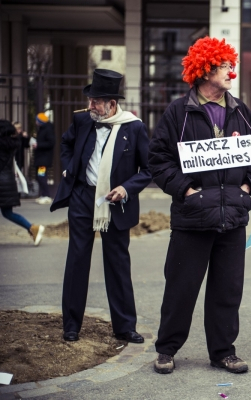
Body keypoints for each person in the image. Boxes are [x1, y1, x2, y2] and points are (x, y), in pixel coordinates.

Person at [149, 37, 251, 375]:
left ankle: (223, 352)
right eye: (224, 65)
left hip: (233, 217)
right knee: (180, 289)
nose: (232, 70)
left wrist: (247, 189)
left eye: (231, 64)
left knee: (227, 291)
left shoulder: (241, 112)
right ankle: (167, 349)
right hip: (191, 219)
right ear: (204, 70)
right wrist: (185, 190)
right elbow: (158, 159)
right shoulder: (178, 112)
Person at [49, 69, 151, 343]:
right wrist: (70, 170)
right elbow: (66, 144)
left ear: (112, 103)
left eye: (96, 101)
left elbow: (149, 168)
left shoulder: (135, 127)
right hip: (83, 197)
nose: (90, 105)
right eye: (90, 99)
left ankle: (125, 327)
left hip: (116, 203)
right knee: (77, 259)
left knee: (117, 263)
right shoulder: (83, 120)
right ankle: (71, 325)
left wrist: (126, 188)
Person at [0, 120, 44, 246]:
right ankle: (32, 228)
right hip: (8, 182)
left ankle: (33, 228)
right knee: (7, 212)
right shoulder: (12, 144)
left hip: (2, 183)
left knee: (7, 213)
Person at [32, 113, 55, 205]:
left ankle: (47, 195)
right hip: (41, 158)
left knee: (41, 176)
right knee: (39, 176)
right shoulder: (42, 129)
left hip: (43, 159)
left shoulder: (47, 130)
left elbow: (51, 143)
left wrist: (38, 145)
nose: (35, 122)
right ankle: (43, 194)